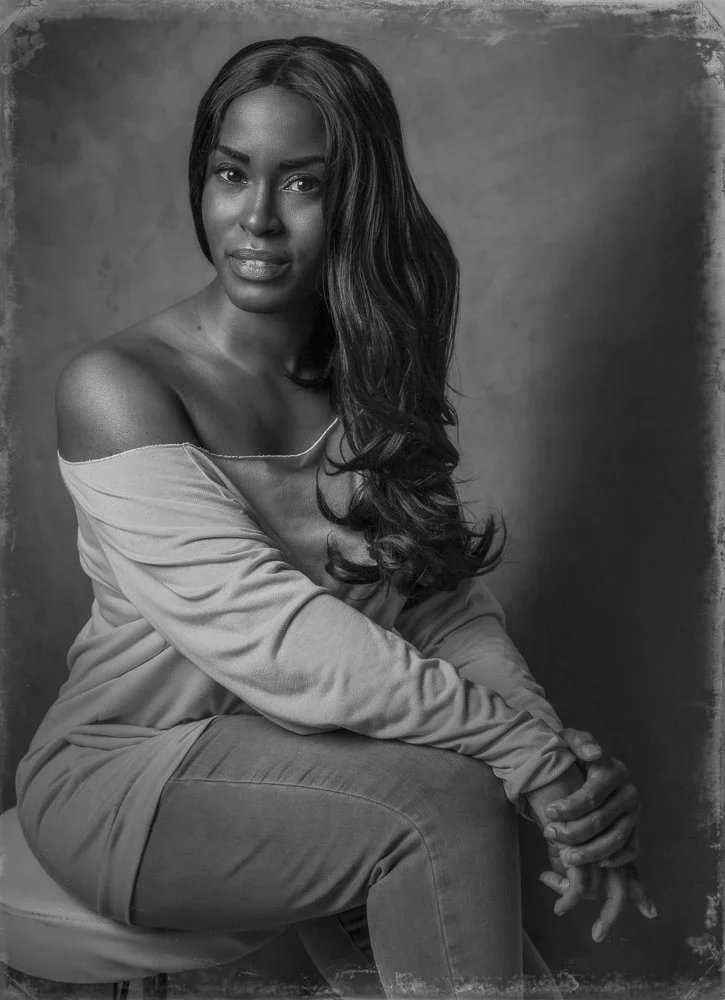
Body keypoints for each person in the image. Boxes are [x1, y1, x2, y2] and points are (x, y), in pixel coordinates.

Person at [15, 35, 655, 999]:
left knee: (456, 803)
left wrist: (546, 744)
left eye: (303, 184)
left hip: (329, 761)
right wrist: (524, 759)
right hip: (130, 778)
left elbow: (441, 610)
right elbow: (273, 634)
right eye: (232, 174)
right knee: (447, 801)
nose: (257, 218)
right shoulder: (119, 386)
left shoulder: (370, 382)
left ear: (355, 199)